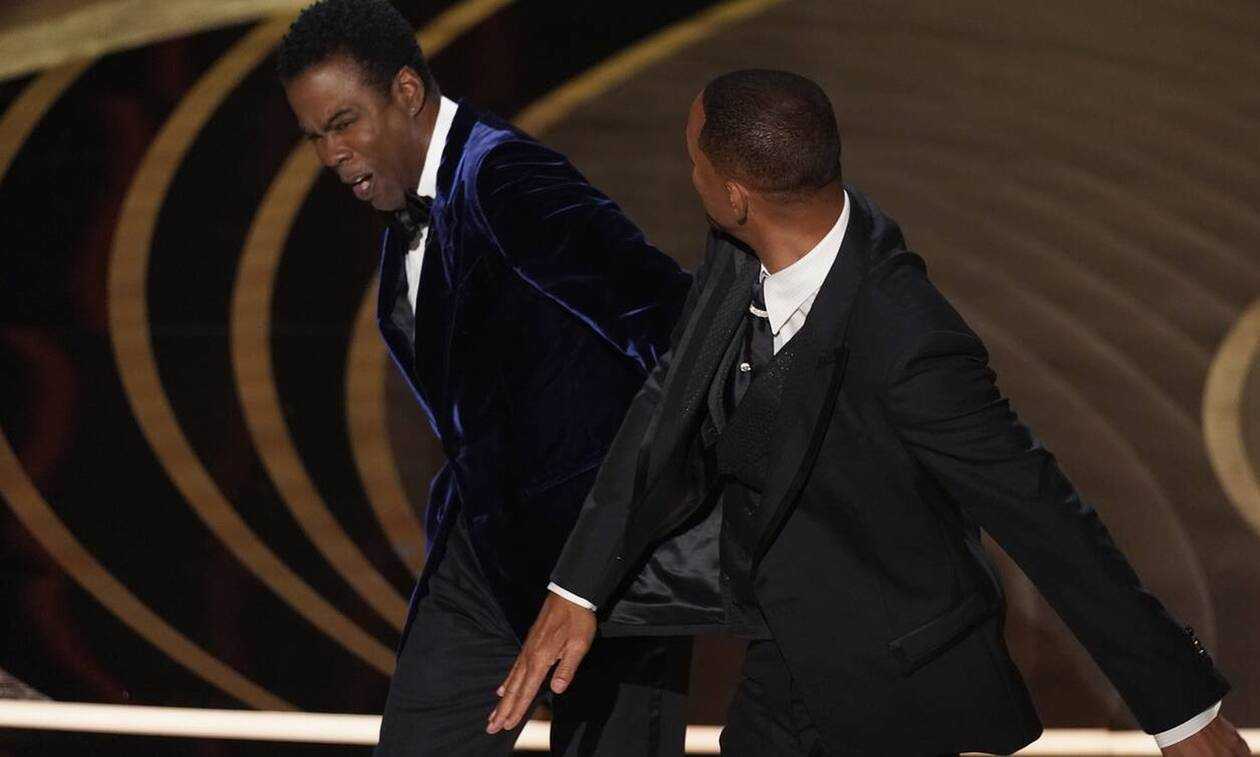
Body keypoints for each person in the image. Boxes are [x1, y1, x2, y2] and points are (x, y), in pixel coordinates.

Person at [489, 69, 1248, 756]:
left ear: (736, 196)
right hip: (783, 660)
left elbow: (1044, 516)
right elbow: (671, 397)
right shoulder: (739, 249)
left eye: (694, 161)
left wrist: (1180, 711)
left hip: (893, 687)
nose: (689, 175)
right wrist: (578, 587)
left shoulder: (910, 342)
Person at [276, 1, 694, 754]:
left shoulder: (504, 176)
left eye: (343, 123)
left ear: (407, 91)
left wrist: (626, 534)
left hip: (600, 561)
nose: (330, 154)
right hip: (486, 554)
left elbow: (664, 314)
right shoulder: (409, 213)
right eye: (313, 136)